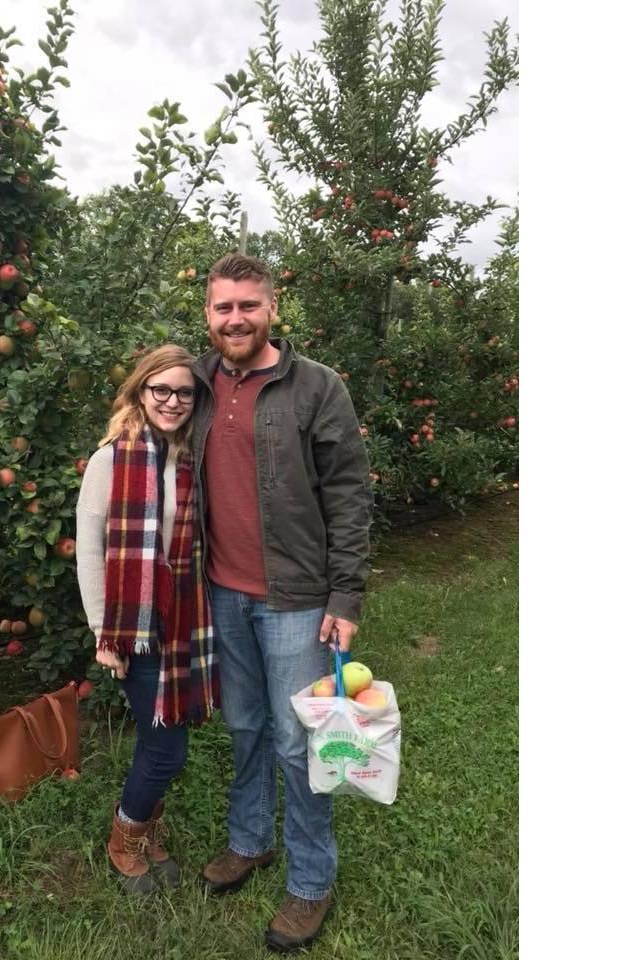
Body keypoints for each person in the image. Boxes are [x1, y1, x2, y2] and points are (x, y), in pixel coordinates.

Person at [191, 254, 373, 952]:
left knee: (300, 743)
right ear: (208, 315)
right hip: (222, 593)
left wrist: (345, 593)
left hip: (296, 599)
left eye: (247, 306)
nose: (234, 318)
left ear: (271, 309)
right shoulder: (200, 384)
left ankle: (311, 881)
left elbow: (349, 494)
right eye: (222, 307)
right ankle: (248, 840)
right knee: (244, 726)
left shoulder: (316, 387)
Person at [76, 344, 219, 895]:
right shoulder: (111, 459)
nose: (173, 400)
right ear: (140, 390)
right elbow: (90, 550)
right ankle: (124, 836)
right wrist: (101, 633)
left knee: (162, 739)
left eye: (185, 391)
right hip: (132, 627)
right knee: (165, 748)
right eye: (161, 389)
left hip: (184, 619)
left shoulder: (191, 458)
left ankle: (145, 829)